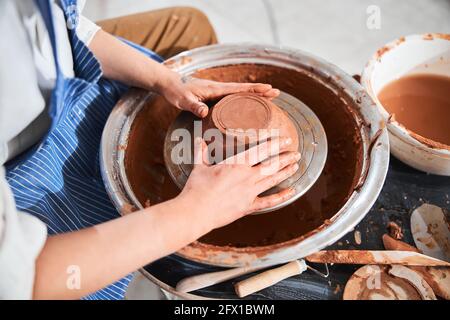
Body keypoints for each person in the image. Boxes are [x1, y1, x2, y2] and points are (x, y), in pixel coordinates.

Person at [0, 1, 300, 299]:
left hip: (52, 83)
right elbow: (27, 280)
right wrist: (196, 211)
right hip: (25, 174)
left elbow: (68, 25)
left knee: (188, 25)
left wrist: (166, 79)